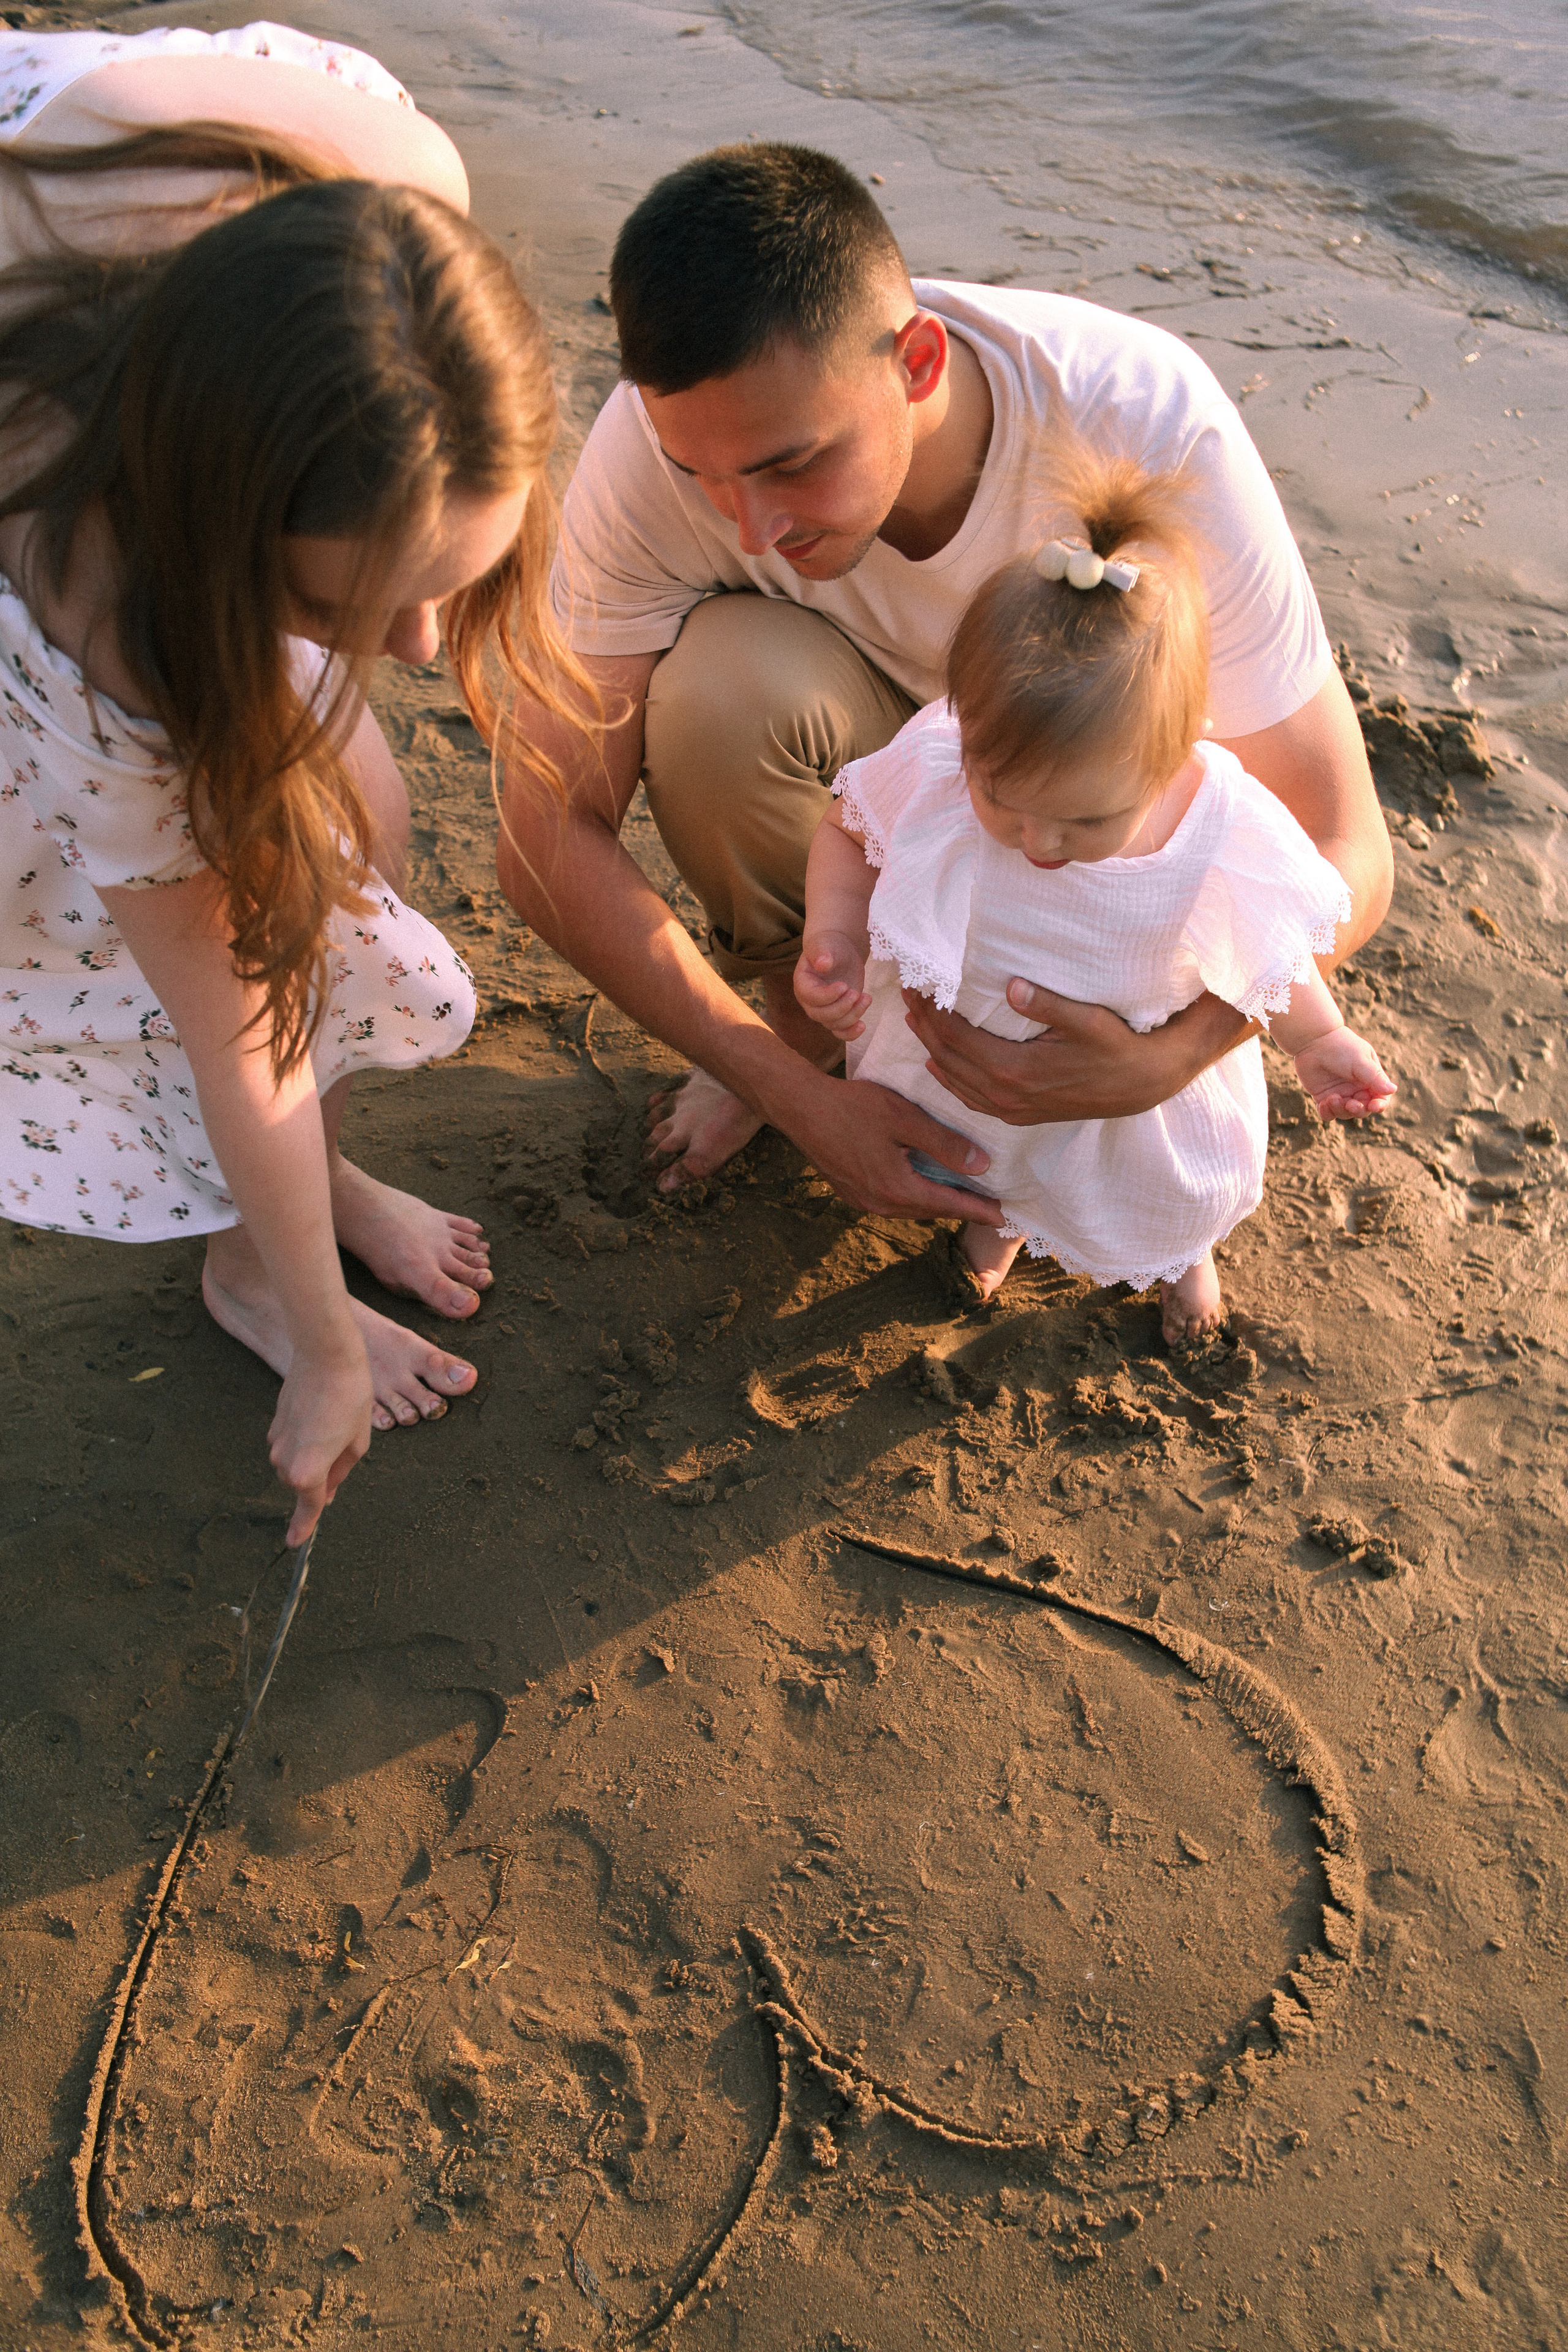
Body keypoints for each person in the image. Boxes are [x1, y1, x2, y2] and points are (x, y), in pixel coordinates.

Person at [499, 141, 1393, 1230]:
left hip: (1096, 846)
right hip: (888, 798)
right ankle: (812, 1026)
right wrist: (791, 1095)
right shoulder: (654, 450)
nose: (751, 528)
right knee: (718, 695)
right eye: (702, 476)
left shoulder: (1142, 419)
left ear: (917, 361)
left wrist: (1169, 1057)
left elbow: (1346, 847)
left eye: (791, 462)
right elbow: (540, 824)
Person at [0, 26, 589, 1539]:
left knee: (360, 822)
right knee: (188, 922)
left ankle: (298, 1217)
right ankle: (267, 1267)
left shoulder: (386, 194)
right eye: (345, 605)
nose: (415, 644)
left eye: (450, 581)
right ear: (213, 531)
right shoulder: (89, 584)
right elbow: (232, 1010)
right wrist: (325, 1355)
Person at [793, 447, 1395, 1337]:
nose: (1038, 843)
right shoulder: (939, 758)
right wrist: (835, 934)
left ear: (1176, 756)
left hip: (1132, 1092)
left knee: (1166, 1195)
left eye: (1084, 823)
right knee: (979, 1153)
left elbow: (1265, 948)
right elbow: (850, 832)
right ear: (965, 725)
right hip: (968, 1055)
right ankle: (996, 1221)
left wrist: (1320, 1038)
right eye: (1001, 798)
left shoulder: (1213, 823)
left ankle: (1181, 1261)